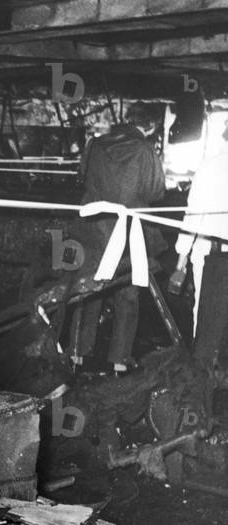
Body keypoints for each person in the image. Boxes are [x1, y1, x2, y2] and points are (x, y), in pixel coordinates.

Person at [71, 103, 167, 374]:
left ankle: (78, 354)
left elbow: (81, 178)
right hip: (127, 232)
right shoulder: (146, 150)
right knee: (127, 293)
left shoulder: (95, 144)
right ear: (151, 126)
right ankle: (119, 359)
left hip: (94, 227)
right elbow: (157, 191)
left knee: (87, 290)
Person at [175, 123, 228, 373]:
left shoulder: (208, 167)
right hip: (211, 252)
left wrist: (181, 259)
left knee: (206, 324)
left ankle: (203, 392)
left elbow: (193, 215)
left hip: (211, 254)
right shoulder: (209, 167)